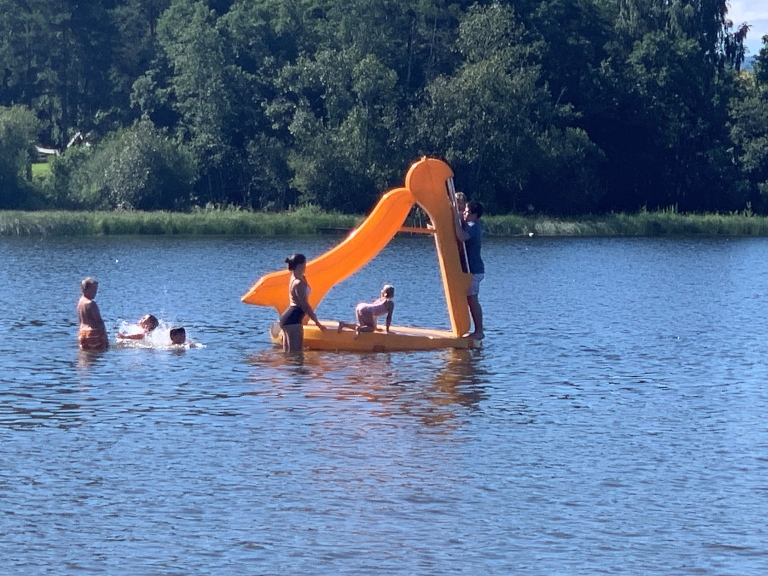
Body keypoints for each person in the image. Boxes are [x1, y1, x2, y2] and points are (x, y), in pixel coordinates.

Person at [279, 253, 326, 352]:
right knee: (297, 355)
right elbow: (304, 305)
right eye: (305, 264)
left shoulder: (297, 277)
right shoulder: (298, 283)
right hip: (293, 320)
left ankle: (284, 367)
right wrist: (317, 323)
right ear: (301, 265)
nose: (306, 266)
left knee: (289, 355)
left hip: (288, 319)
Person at [454, 200, 484, 340]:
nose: (464, 214)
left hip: (474, 270)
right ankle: (473, 330)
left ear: (474, 214)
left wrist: (455, 220)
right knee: (469, 299)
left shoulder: (473, 226)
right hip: (471, 269)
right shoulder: (470, 224)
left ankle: (479, 331)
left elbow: (462, 236)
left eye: (466, 212)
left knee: (472, 299)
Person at [77, 277, 109, 351]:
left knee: (85, 357)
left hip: (82, 333)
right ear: (84, 289)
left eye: (96, 290)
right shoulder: (91, 303)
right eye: (93, 290)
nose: (95, 293)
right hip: (93, 333)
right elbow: (99, 321)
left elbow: (80, 320)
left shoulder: (80, 303)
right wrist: (105, 337)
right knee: (98, 354)